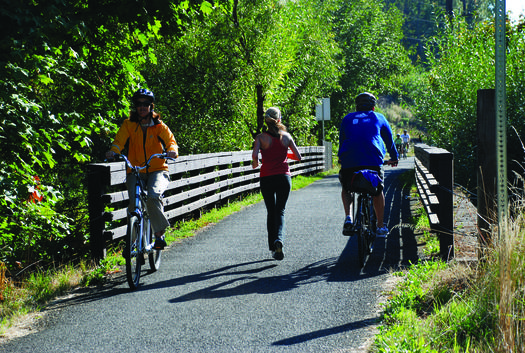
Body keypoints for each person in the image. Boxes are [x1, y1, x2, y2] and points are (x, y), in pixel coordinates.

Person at [106, 89, 179, 250]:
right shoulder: (129, 125)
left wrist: (172, 151)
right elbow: (119, 142)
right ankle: (132, 242)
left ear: (151, 106)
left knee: (153, 196)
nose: (142, 107)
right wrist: (114, 151)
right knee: (134, 203)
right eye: (139, 104)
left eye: (145, 104)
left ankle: (159, 235)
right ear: (135, 107)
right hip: (135, 170)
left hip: (158, 169)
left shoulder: (160, 126)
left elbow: (171, 142)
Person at [338, 92, 398, 238]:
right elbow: (389, 141)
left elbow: (342, 140)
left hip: (349, 161)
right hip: (373, 160)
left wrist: (342, 158)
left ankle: (349, 218)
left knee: (347, 187)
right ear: (373, 106)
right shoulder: (379, 117)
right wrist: (394, 157)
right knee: (377, 190)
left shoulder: (347, 118)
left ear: (356, 106)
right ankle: (380, 226)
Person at [251, 107, 302, 260]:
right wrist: (285, 154)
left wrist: (256, 162)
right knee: (280, 211)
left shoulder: (260, 138)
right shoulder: (286, 136)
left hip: (267, 177)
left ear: (266, 121)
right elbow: (298, 156)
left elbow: (255, 156)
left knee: (270, 211)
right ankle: (279, 239)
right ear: (279, 120)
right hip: (283, 177)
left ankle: (273, 247)